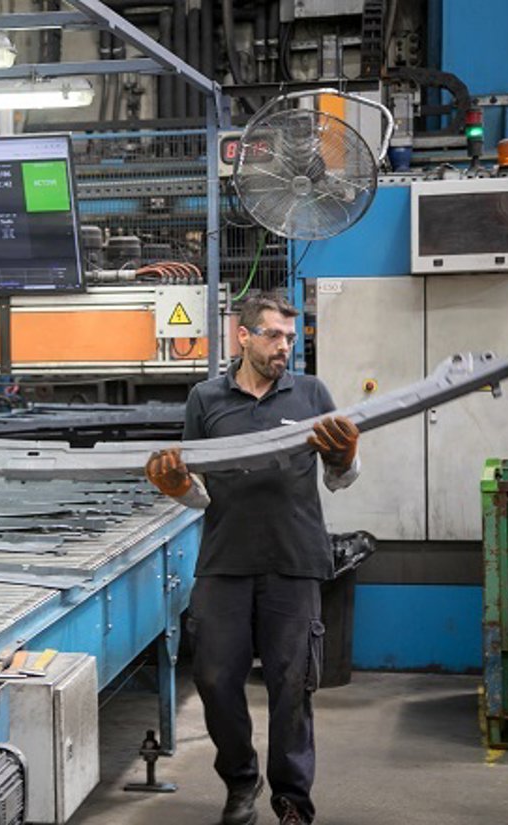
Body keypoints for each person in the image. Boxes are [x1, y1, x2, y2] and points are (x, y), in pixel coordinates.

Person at [144, 293, 360, 825]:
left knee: (292, 687)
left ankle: (292, 800)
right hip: (226, 560)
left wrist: (345, 457)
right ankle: (241, 781)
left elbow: (340, 480)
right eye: (274, 335)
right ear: (243, 336)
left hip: (294, 558)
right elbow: (198, 489)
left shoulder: (311, 393)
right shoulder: (206, 399)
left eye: (290, 337)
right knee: (215, 680)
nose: (284, 346)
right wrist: (177, 486)